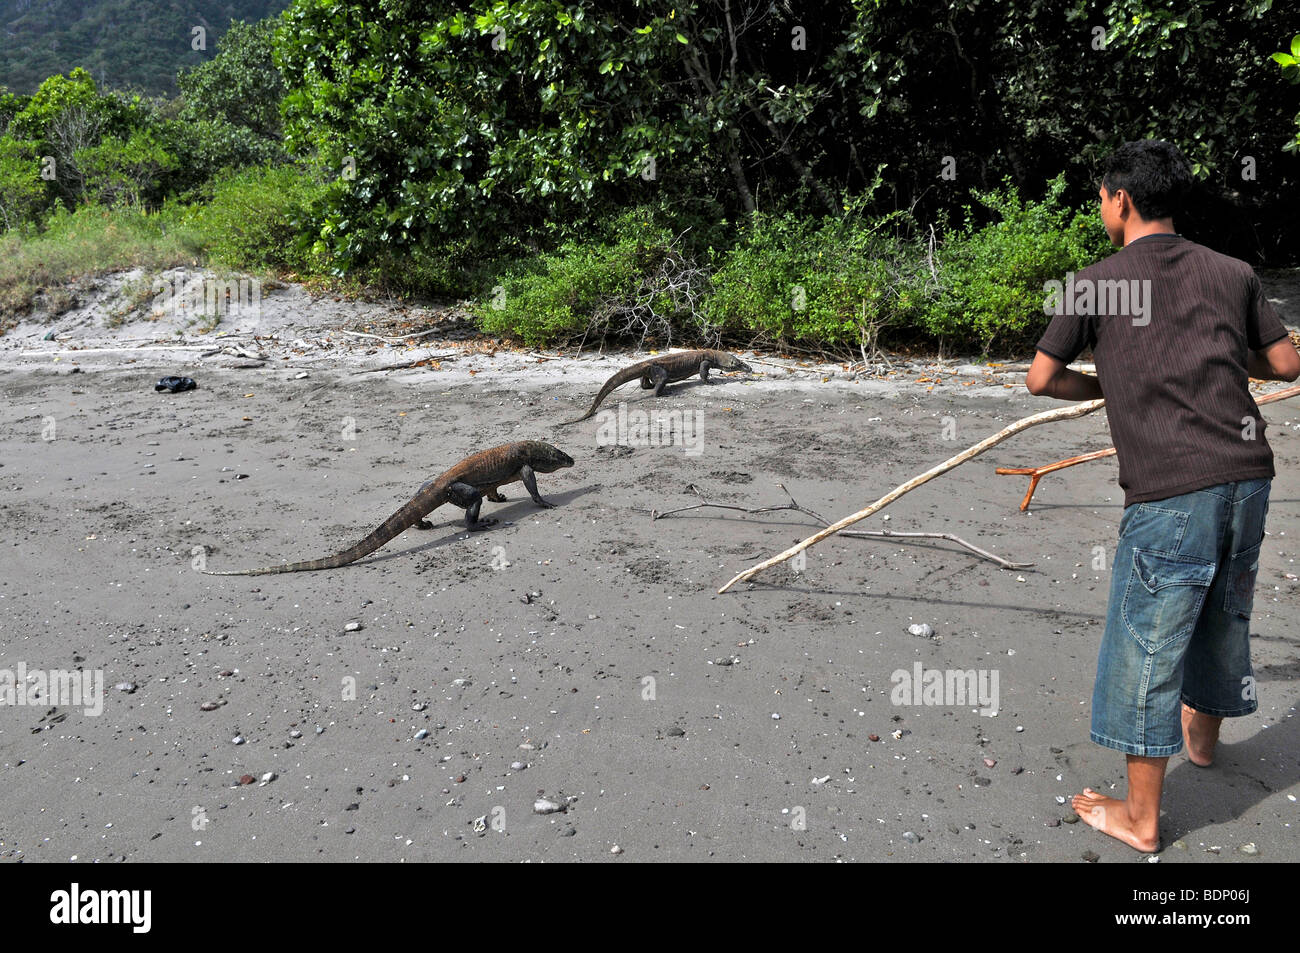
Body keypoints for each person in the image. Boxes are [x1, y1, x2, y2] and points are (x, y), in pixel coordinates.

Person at [1025, 139, 1300, 852]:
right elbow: (1285, 361)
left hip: (1172, 490)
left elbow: (1040, 378)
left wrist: (1104, 383)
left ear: (1121, 198)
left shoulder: (1093, 283)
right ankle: (1202, 744)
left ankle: (1141, 818)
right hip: (1248, 475)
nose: (1099, 208)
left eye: (1099, 196)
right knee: (1223, 608)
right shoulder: (1230, 271)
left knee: (1145, 644)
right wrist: (1207, 351)